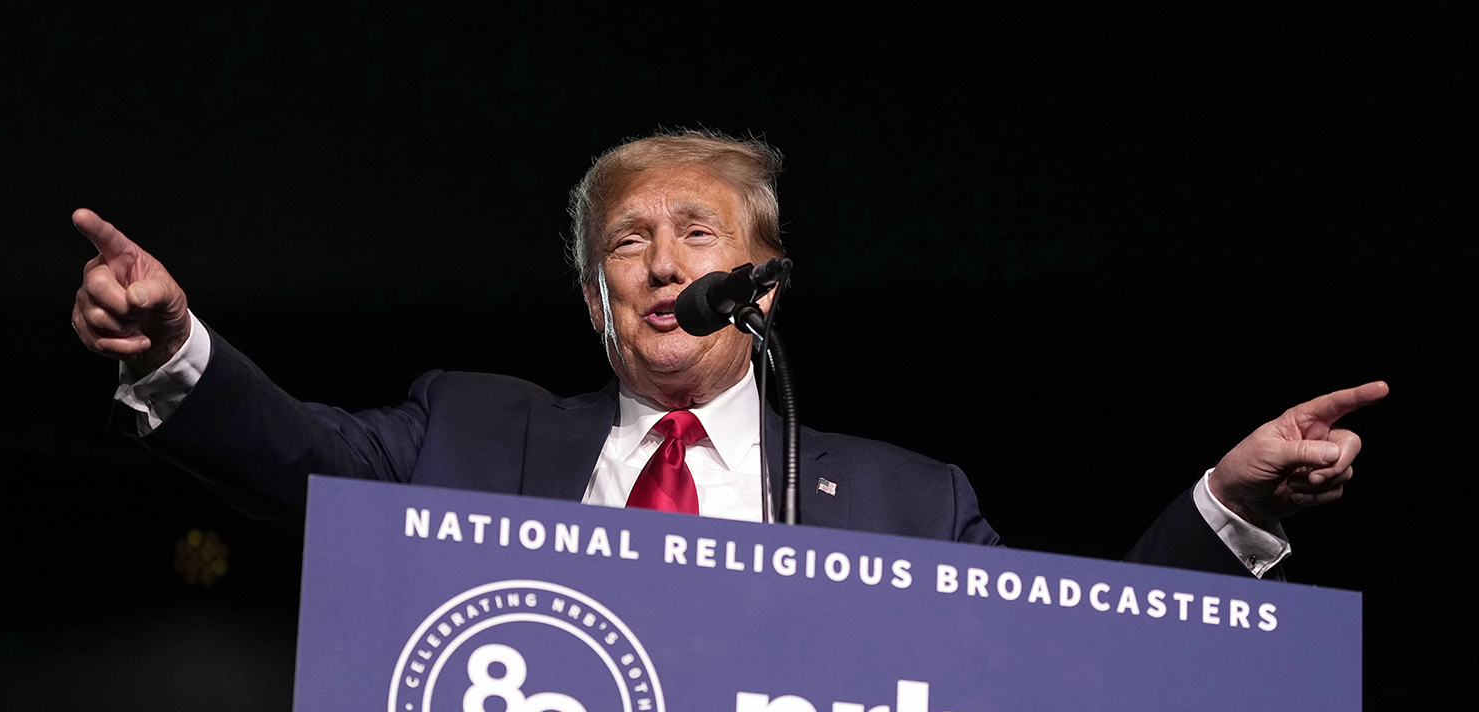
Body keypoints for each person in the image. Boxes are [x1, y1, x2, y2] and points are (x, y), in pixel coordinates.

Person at [69, 130, 1386, 576]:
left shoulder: (910, 502)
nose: (657, 262)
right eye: (625, 244)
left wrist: (1230, 507)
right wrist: (179, 347)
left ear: (761, 283)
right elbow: (295, 455)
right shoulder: (469, 429)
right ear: (596, 302)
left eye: (695, 231)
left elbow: (1070, 681)